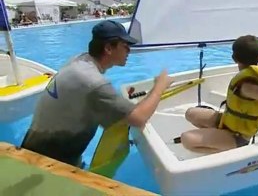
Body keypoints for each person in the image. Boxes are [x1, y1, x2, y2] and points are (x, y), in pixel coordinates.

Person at [21, 20, 173, 168]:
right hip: (48, 164)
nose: (129, 51)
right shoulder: (94, 83)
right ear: (108, 48)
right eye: (125, 46)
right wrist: (160, 86)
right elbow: (138, 118)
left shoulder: (78, 61)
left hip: (32, 148)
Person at [180, 35, 258, 154]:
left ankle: (226, 149)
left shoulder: (248, 87)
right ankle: (217, 138)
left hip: (238, 135)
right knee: (190, 113)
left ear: (234, 58)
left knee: (186, 138)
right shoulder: (250, 77)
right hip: (228, 120)